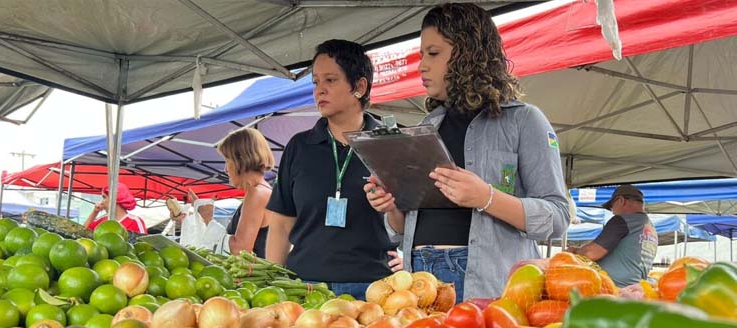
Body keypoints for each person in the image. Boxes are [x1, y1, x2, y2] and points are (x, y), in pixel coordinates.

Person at [365, 3, 569, 301]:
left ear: (468, 53)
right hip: (418, 278)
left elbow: (558, 217)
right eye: (421, 54)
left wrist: (486, 197)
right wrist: (392, 205)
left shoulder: (524, 120)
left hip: (489, 280)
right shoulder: (426, 126)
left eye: (433, 54)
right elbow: (399, 230)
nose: (421, 65)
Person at [266, 39, 401, 300]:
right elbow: (281, 225)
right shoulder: (300, 146)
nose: (320, 91)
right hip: (304, 287)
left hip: (372, 290)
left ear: (359, 86)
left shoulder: (391, 142)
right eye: (316, 82)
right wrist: (274, 282)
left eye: (330, 80)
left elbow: (408, 220)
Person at [567, 184, 658, 287]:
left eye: (611, 207)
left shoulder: (622, 220)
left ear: (621, 200)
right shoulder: (650, 228)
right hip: (636, 290)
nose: (613, 212)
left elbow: (591, 253)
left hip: (613, 289)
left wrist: (573, 252)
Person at [218, 128, 274, 258]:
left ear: (241, 160)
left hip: (254, 278)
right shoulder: (263, 190)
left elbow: (240, 249)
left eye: (227, 160)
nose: (225, 169)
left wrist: (210, 226)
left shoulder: (257, 193)